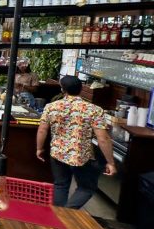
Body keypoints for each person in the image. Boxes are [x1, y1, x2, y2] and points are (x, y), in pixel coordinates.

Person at [36, 75, 116, 209]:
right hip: (81, 155)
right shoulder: (94, 110)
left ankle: (59, 215)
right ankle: (68, 213)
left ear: (62, 90)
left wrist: (39, 148)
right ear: (81, 89)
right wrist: (111, 162)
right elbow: (103, 139)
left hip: (57, 152)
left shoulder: (51, 107)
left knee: (60, 185)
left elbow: (42, 130)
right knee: (86, 188)